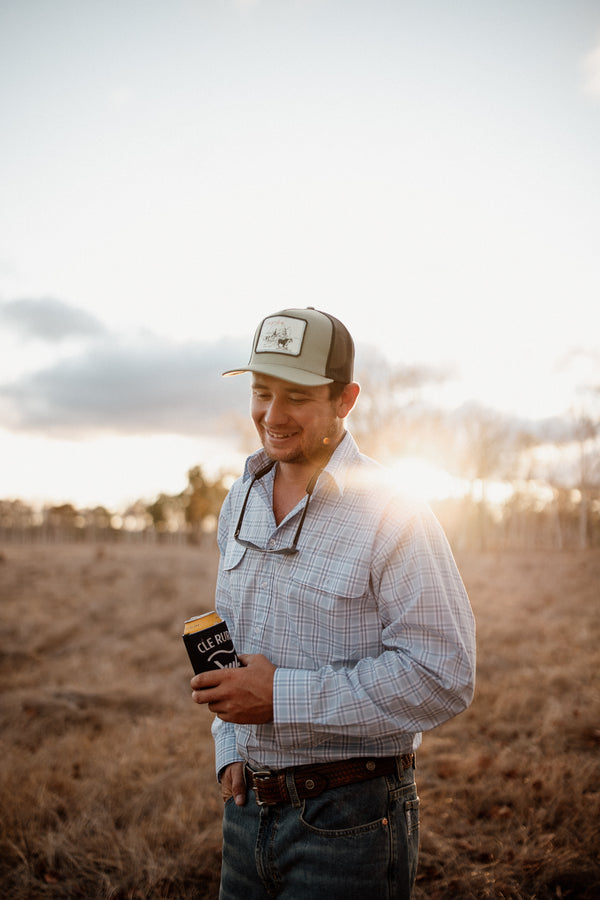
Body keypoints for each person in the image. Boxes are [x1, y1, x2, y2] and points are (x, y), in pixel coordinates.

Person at [191, 307, 476, 899]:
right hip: (247, 813)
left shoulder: (393, 510)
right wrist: (228, 748)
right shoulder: (240, 497)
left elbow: (443, 676)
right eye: (261, 392)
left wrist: (280, 697)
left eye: (296, 396)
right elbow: (236, 648)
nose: (271, 415)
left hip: (351, 821)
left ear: (345, 399)